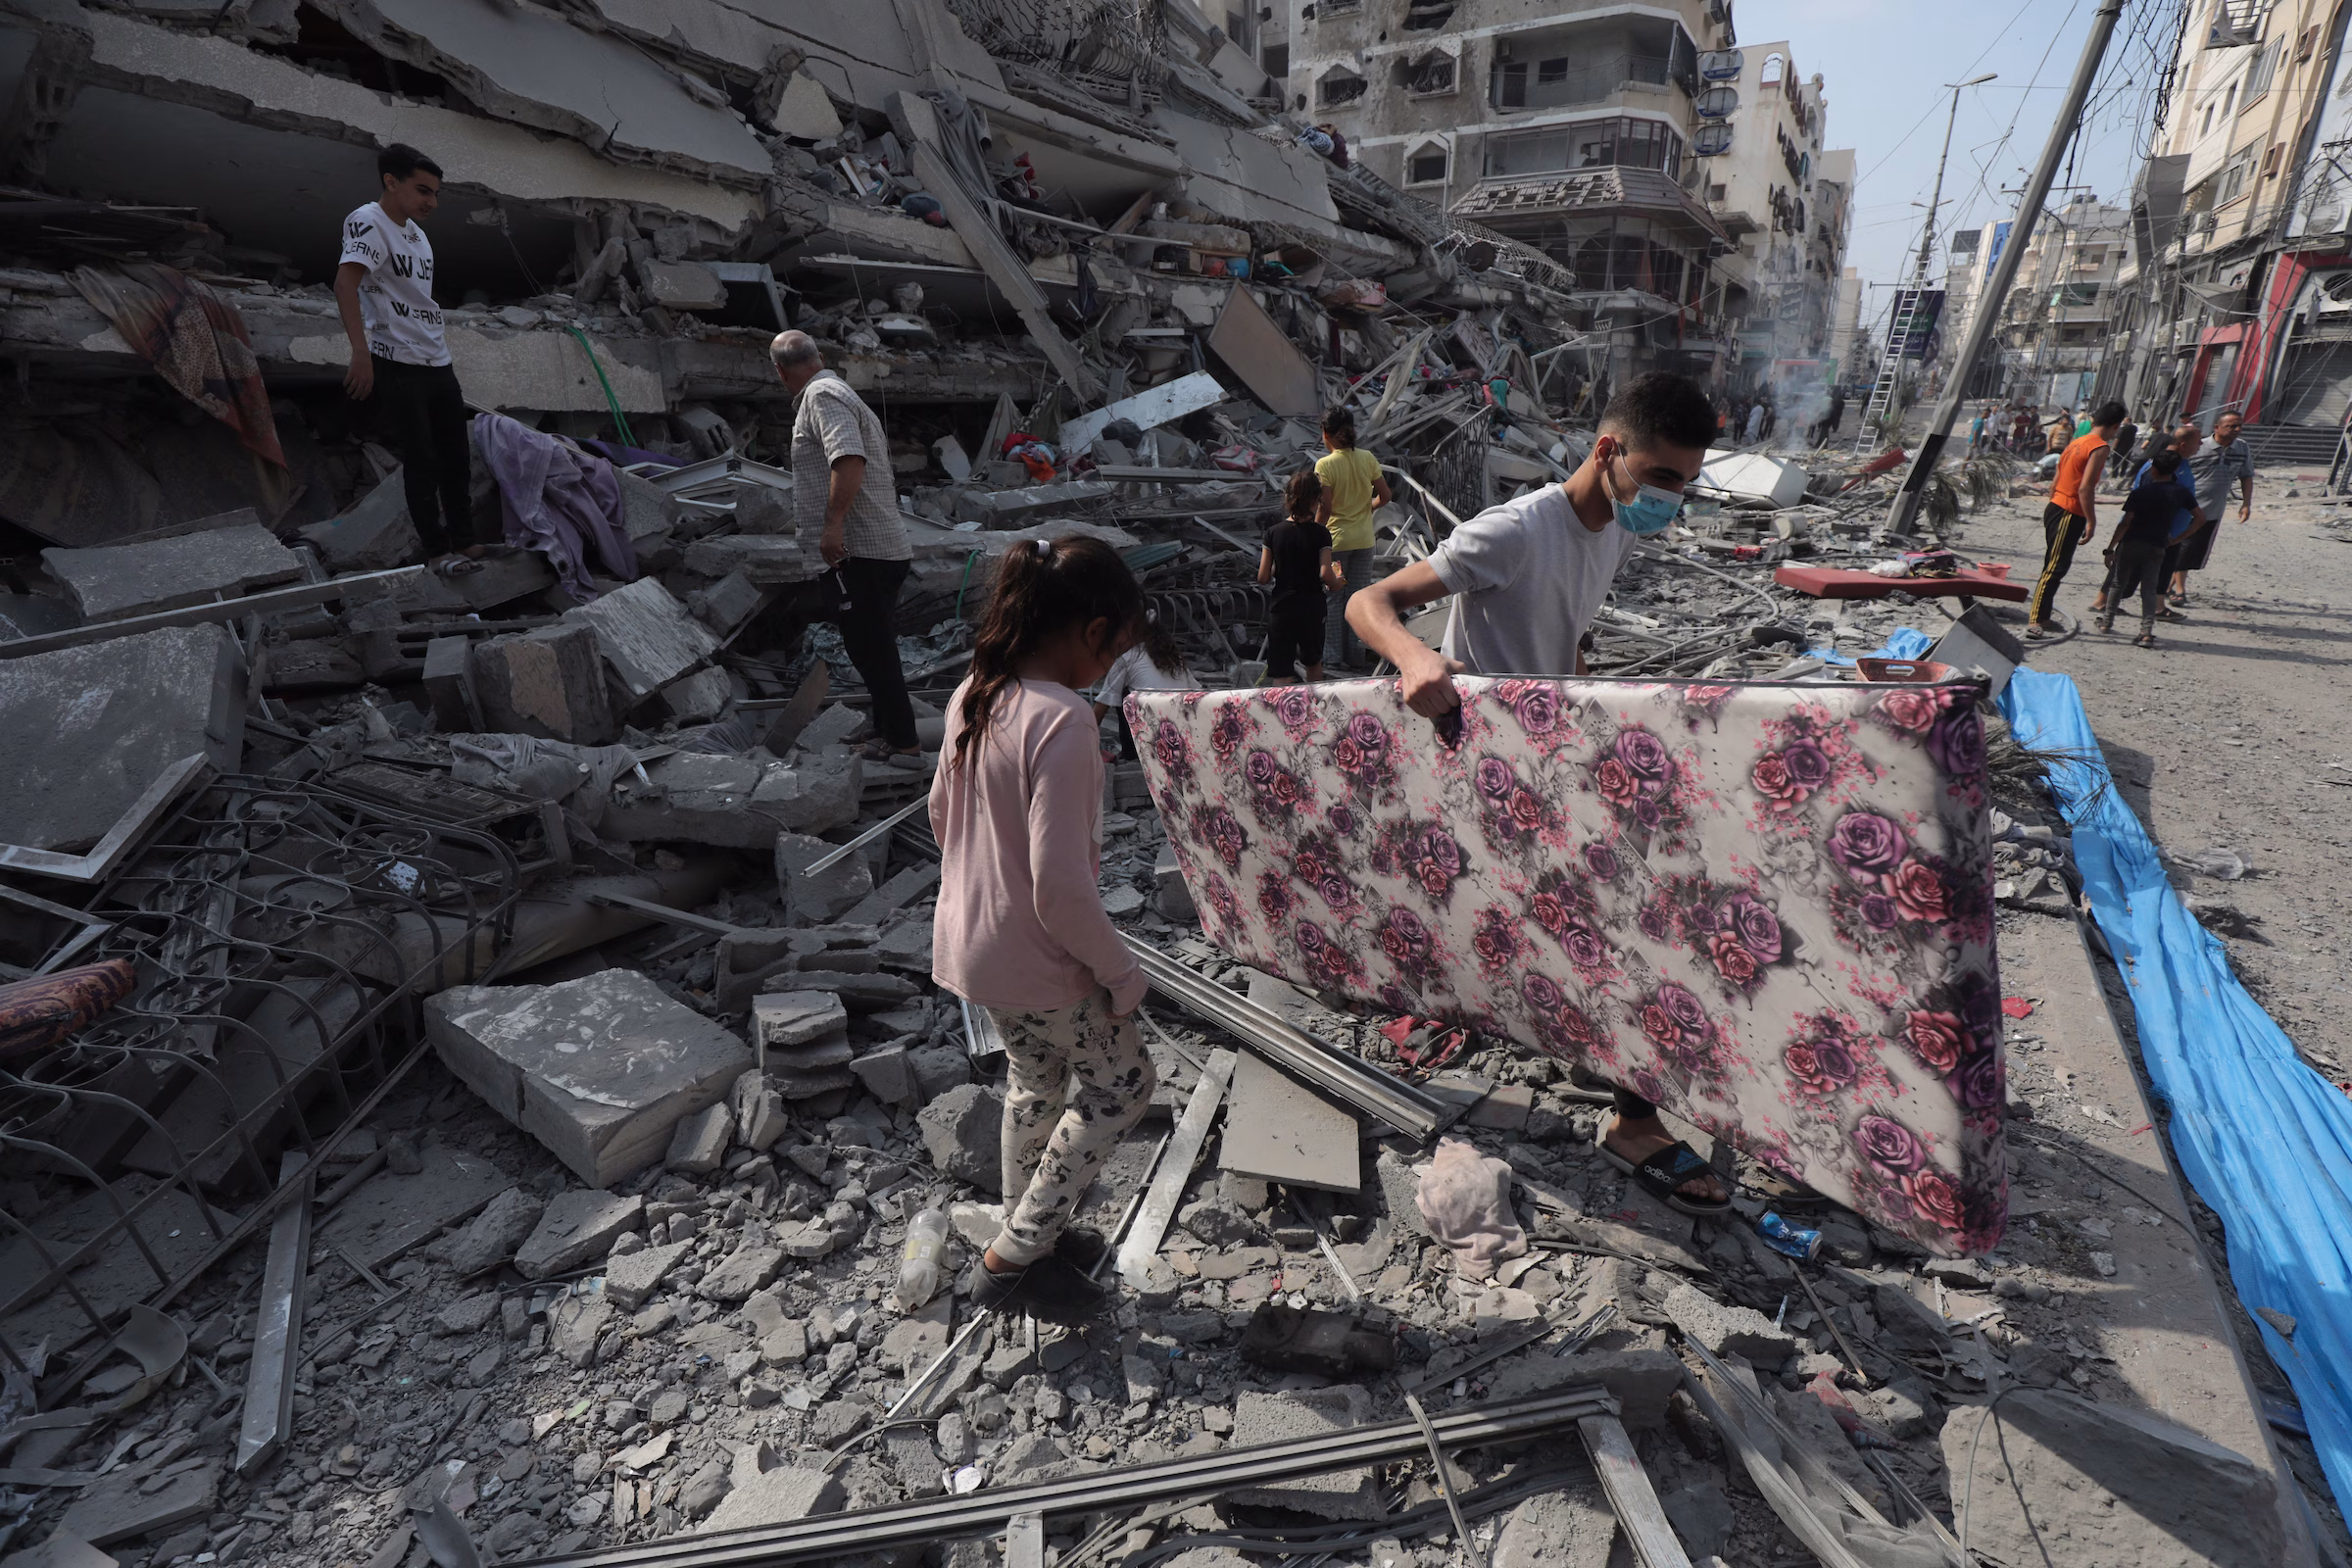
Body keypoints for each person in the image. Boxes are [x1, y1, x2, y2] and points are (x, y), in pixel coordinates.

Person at [1348, 371, 1731, 1215]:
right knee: (1617, 927)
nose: (1671, 499)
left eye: (1685, 482)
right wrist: (1415, 660)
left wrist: (1591, 715)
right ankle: (1634, 1122)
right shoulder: (1516, 530)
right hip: (1485, 769)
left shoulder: (1615, 530)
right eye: (1661, 477)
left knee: (1604, 920)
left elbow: (1565, 631)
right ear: (1608, 450)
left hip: (1549, 762)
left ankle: (1596, 1053)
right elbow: (1370, 601)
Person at [929, 536, 1157, 1324]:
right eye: (1114, 650)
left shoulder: (974, 692)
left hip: (972, 948)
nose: (1110, 666)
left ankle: (1035, 1232)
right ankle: (1013, 1259)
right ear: (1093, 631)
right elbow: (1060, 889)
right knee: (1124, 1088)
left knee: (1035, 1083)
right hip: (1040, 959)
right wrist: (1123, 973)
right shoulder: (1064, 722)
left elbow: (940, 819)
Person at [770, 329, 922, 768]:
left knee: (872, 648)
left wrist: (833, 525)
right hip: (875, 550)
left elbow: (848, 459)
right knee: (865, 645)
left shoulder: (821, 397)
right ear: (818, 356)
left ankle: (904, 742)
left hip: (863, 552)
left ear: (779, 372)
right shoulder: (837, 391)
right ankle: (886, 727)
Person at [336, 144, 478, 571]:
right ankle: (438, 553)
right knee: (422, 461)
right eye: (423, 191)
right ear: (391, 182)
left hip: (437, 358)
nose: (431, 202)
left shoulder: (417, 234)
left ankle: (467, 542)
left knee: (456, 457)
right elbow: (345, 285)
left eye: (435, 193)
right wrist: (360, 352)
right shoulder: (368, 221)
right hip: (396, 360)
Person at [2025, 400, 2122, 640]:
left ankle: (2043, 616)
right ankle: (2035, 619)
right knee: (2054, 567)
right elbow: (2085, 488)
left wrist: (2054, 502)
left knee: (2055, 564)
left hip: (2056, 505)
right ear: (2115, 426)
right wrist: (2091, 521)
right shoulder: (2099, 447)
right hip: (2069, 511)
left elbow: (2056, 480)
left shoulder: (2077, 441)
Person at [2090, 418, 2199, 618]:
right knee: (2128, 573)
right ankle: (2106, 605)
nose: (2200, 445)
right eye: (2197, 441)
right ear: (2184, 445)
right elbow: (2143, 502)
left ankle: (2156, 607)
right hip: (2154, 534)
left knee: (2158, 571)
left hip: (2168, 534)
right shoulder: (2163, 466)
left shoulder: (2179, 464)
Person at [1313, 408, 1392, 669]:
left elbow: (1325, 507)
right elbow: (1385, 496)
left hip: (1336, 545)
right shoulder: (1367, 458)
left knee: (1334, 596)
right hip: (1365, 542)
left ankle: (1333, 658)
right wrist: (1367, 508)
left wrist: (1313, 534)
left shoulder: (1325, 464)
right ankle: (1356, 656)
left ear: (1326, 434)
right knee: (1359, 599)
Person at [2099, 448, 2197, 648]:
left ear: (2153, 470)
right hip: (2157, 545)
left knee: (2118, 583)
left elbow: (2125, 523)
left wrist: (2110, 548)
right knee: (2150, 588)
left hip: (2131, 542)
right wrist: (2177, 539)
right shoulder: (2181, 492)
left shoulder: (2140, 493)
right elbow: (2200, 518)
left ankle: (2106, 623)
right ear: (2175, 470)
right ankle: (2146, 632)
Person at [1263, 469, 1345, 684]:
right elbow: (1326, 573)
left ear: (1288, 497)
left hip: (1282, 607)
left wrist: (1279, 566)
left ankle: (1279, 707)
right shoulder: (1321, 533)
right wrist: (1339, 581)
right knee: (1313, 663)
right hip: (1311, 607)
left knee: (1281, 671)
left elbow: (1263, 576)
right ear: (1316, 500)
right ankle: (1314, 705)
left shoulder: (1273, 533)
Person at [2172, 410, 2254, 605]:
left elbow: (2246, 476)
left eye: (2239, 426)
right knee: (2182, 547)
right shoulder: (2198, 448)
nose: (2237, 429)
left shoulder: (2242, 448)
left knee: (2193, 551)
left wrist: (2246, 503)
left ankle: (2168, 585)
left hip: (2213, 510)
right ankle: (2179, 590)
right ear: (2216, 427)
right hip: (2187, 509)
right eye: (2231, 426)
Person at [1093, 611, 1193, 760]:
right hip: (1183, 734)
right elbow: (1196, 691)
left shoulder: (1127, 659)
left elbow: (1099, 711)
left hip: (1154, 742)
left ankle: (1130, 755)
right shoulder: (1173, 657)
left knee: (1123, 694)